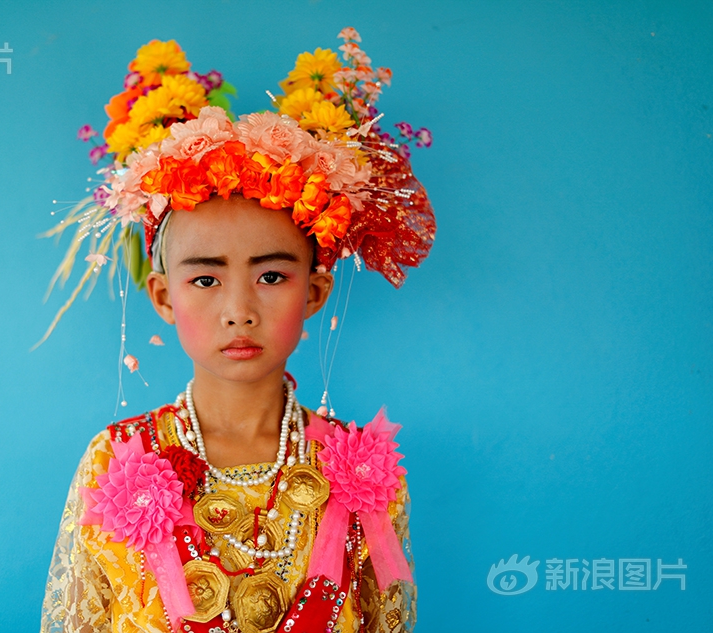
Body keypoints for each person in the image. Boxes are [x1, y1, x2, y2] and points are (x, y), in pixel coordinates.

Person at [39, 28, 435, 633]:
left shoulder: (364, 475)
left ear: (315, 292)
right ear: (164, 297)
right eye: (205, 280)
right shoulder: (115, 463)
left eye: (272, 276)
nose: (239, 309)